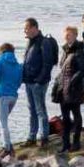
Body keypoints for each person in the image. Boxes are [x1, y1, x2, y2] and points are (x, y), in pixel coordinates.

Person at [21, 18, 59, 149]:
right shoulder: (30, 42)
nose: (24, 31)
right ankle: (32, 136)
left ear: (34, 28)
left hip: (38, 82)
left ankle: (44, 137)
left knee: (40, 109)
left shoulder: (44, 42)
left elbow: (47, 63)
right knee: (32, 110)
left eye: (26, 28)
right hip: (29, 81)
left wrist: (40, 80)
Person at [53, 26, 84, 152]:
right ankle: (66, 143)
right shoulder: (65, 50)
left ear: (75, 35)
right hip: (63, 87)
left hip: (74, 88)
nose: (67, 37)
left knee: (76, 114)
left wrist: (72, 81)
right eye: (66, 35)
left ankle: (76, 142)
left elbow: (82, 69)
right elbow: (62, 68)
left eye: (69, 34)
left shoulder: (79, 49)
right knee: (65, 116)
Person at [0, 42, 23, 154]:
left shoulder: (0, 61)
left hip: (2, 95)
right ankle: (8, 144)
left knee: (2, 123)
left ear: (2, 51)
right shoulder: (17, 64)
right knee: (0, 120)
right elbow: (19, 81)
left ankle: (6, 148)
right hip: (13, 96)